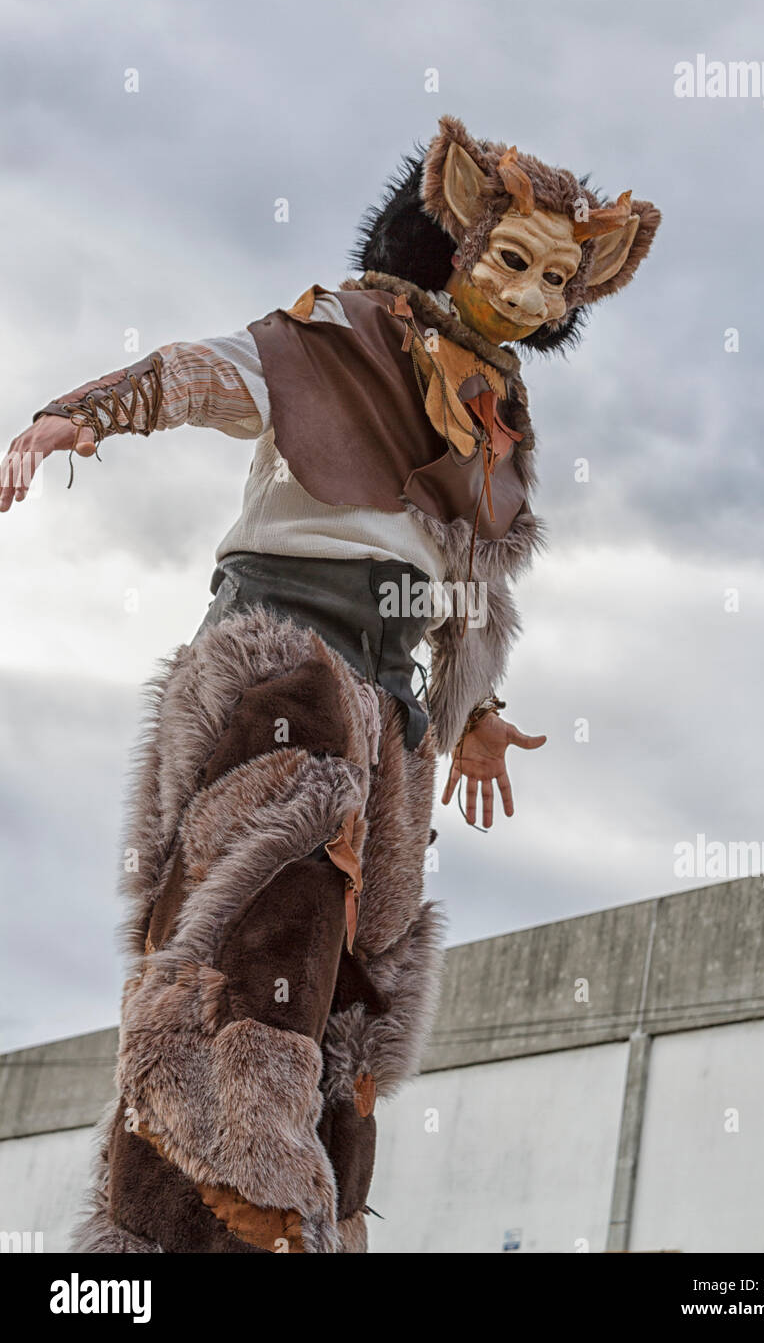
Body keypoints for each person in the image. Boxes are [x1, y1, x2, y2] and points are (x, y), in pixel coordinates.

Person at [0, 116, 660, 1253]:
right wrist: (85, 410)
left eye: (558, 279)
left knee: (355, 994)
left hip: (389, 702)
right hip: (285, 660)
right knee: (258, 939)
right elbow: (211, 373)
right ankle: (195, 1226)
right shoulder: (336, 333)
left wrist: (476, 713)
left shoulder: (491, 418)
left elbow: (456, 580)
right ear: (446, 238)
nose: (535, 295)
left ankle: (317, 1223)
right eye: (511, 259)